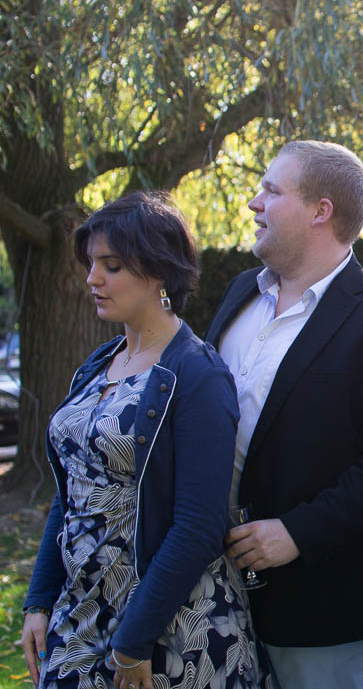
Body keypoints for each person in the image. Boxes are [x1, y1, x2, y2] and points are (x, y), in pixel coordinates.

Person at [20, 193, 262, 689]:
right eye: (91, 264)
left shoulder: (197, 374)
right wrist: (39, 600)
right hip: (78, 617)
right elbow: (70, 496)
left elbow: (197, 526)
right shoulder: (95, 366)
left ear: (158, 271)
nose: (93, 279)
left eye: (111, 266)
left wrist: (132, 645)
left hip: (168, 628)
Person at [204, 140, 363, 689]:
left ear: (321, 211)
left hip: (321, 601)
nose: (255, 202)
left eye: (272, 191)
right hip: (208, 593)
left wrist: (296, 533)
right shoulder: (238, 295)